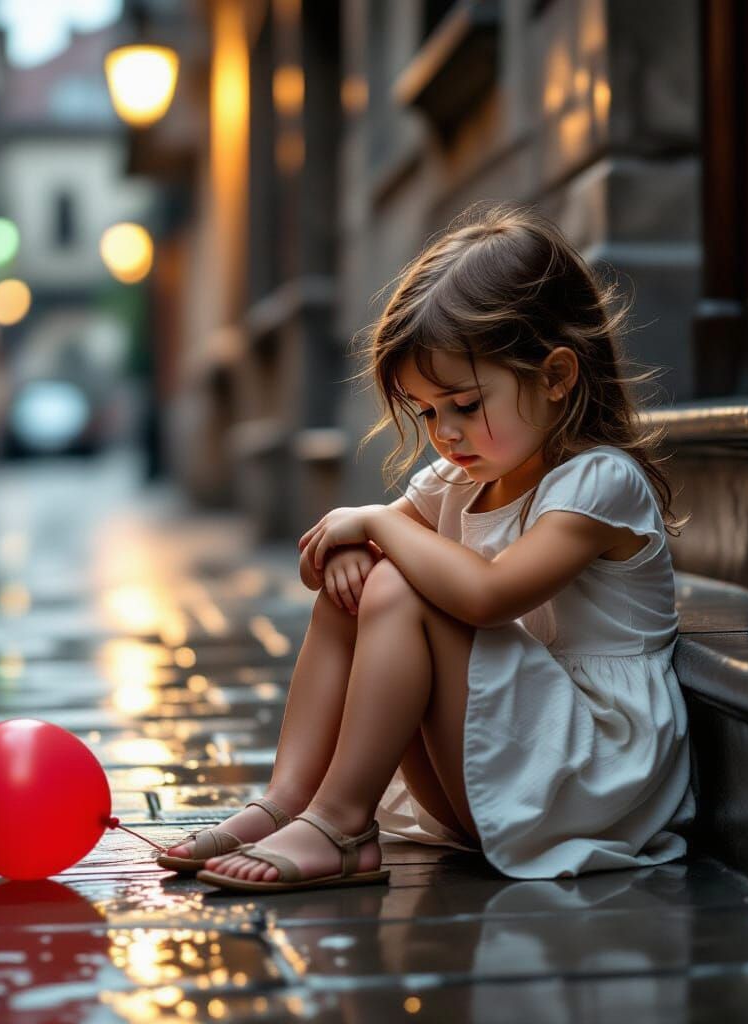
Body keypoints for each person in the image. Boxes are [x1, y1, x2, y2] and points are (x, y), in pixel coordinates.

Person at [158, 203, 695, 893]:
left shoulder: (599, 483)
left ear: (557, 377)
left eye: (466, 405)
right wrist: (350, 547)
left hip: (591, 776)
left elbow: (488, 596)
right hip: (500, 766)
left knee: (394, 580)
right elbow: (323, 562)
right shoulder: (460, 478)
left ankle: (343, 822)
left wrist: (377, 527)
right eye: (428, 412)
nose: (446, 433)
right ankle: (290, 798)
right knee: (362, 581)